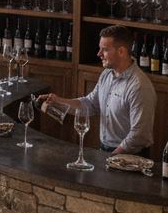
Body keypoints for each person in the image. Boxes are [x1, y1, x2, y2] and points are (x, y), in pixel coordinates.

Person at [38, 24, 156, 155]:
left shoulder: (139, 86)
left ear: (121, 52)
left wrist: (111, 157)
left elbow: (139, 135)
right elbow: (90, 104)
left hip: (131, 156)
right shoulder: (107, 74)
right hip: (106, 150)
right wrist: (57, 101)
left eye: (104, 50)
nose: (99, 54)